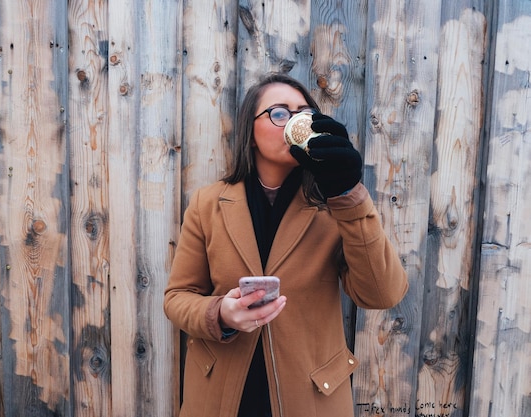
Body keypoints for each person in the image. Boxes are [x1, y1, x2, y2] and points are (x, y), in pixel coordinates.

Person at [163, 73, 408, 417]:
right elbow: (177, 298)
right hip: (220, 395)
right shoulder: (208, 203)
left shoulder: (334, 204)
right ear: (250, 132)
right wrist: (220, 313)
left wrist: (348, 194)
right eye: (279, 113)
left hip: (309, 397)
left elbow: (382, 294)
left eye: (303, 113)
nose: (294, 121)